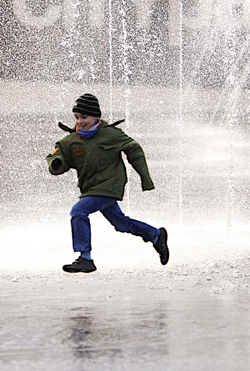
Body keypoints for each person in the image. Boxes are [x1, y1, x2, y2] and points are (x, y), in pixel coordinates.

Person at [46, 93, 169, 273]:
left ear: (96, 116)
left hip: (110, 185)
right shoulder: (71, 140)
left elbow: (134, 150)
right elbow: (58, 156)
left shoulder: (111, 134)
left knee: (78, 211)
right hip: (91, 188)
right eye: (77, 117)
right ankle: (156, 236)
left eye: (84, 117)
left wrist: (145, 178)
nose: (79, 121)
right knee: (120, 223)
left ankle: (85, 258)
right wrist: (57, 164)